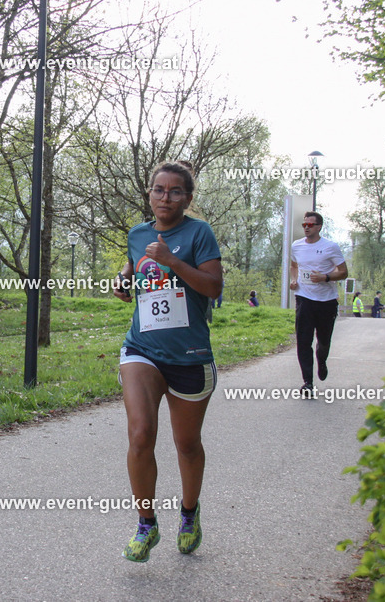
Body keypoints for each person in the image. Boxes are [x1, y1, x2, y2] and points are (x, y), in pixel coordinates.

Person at [113, 161, 223, 563]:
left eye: (175, 191)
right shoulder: (138, 233)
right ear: (150, 194)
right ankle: (146, 523)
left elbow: (213, 286)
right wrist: (123, 280)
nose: (165, 197)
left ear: (187, 198)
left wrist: (174, 262)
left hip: (189, 355)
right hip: (142, 347)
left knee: (187, 444)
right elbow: (135, 261)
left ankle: (189, 514)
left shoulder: (199, 233)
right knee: (141, 434)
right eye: (159, 190)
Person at [289, 212, 348, 398]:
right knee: (303, 341)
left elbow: (344, 272)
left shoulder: (330, 247)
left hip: (326, 301)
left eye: (310, 224)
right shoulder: (296, 246)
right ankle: (308, 383)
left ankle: (321, 361)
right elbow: (294, 265)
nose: (306, 227)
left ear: (319, 227)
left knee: (323, 341)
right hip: (304, 299)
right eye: (304, 224)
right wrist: (294, 279)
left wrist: (326, 277)